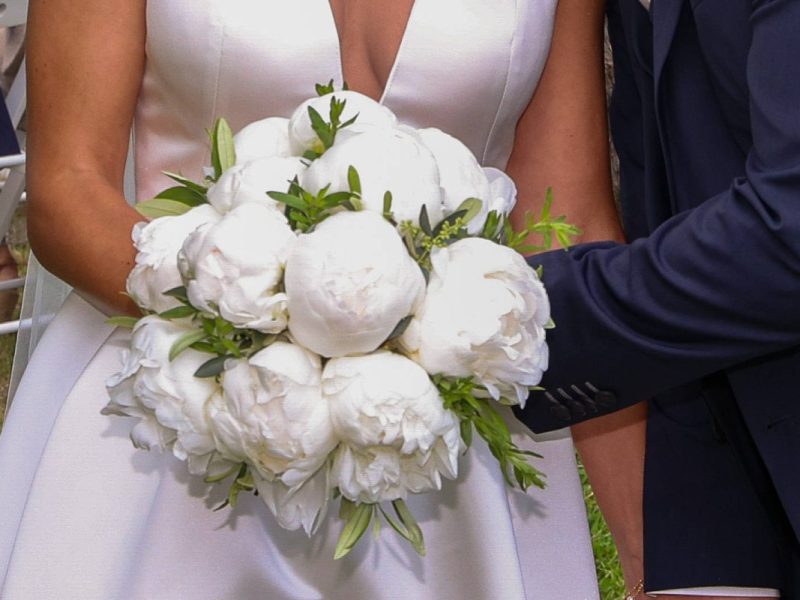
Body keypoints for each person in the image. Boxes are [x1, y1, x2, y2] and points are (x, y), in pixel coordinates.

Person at [0, 1, 641, 598]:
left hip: (443, 437)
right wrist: (268, 339)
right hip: (173, 415)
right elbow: (67, 189)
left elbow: (569, 220)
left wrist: (653, 553)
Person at [518, 0, 800, 598]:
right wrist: (697, 564)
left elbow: (789, 232)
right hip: (732, 439)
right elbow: (675, 182)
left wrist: (500, 326)